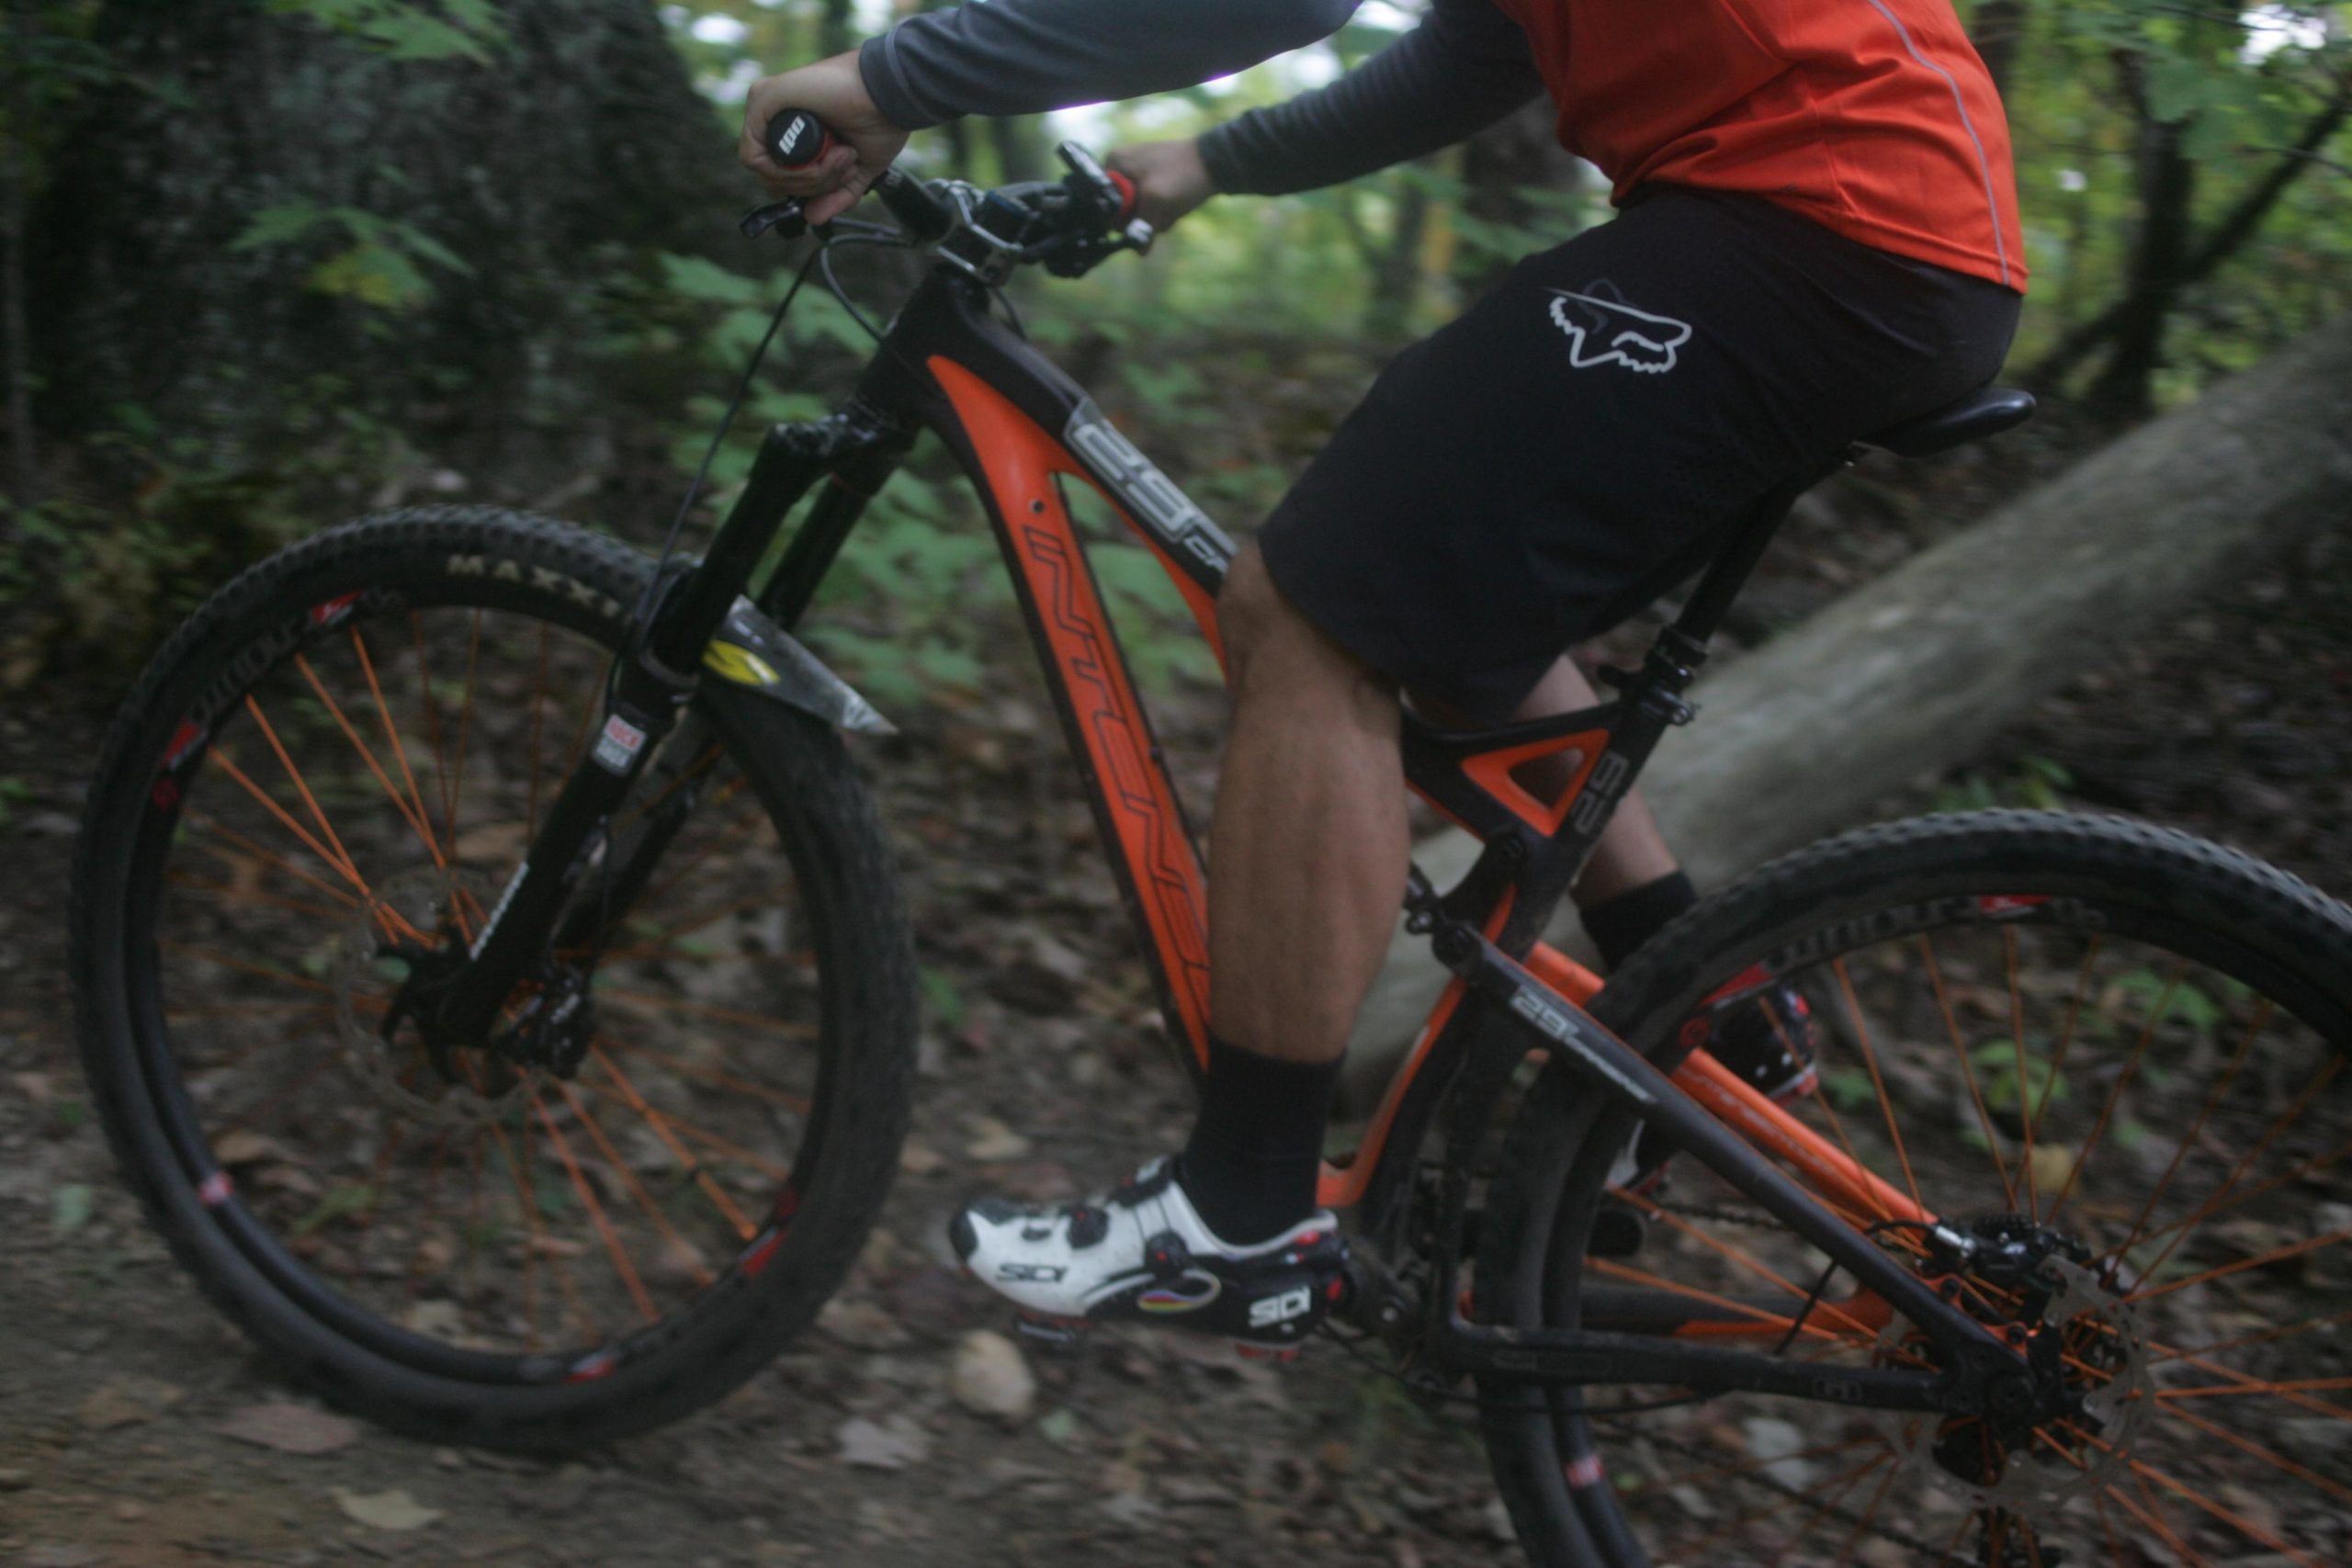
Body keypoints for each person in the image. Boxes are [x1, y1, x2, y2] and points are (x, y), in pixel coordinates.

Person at [741, 0, 2025, 1351]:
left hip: (1815, 223)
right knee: (1461, 627)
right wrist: (1207, 163)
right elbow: (1479, 53)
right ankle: (1708, 1024)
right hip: (1876, 236)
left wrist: (887, 75)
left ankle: (1244, 1213)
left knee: (1310, 609)